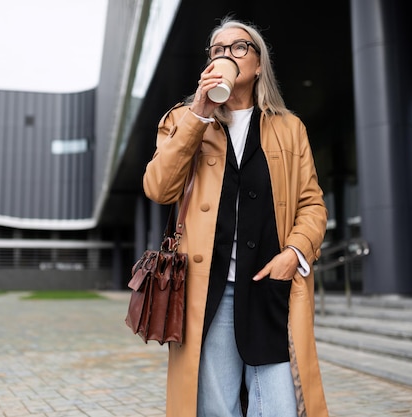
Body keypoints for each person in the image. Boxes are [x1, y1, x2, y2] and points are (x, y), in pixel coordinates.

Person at [142, 15, 329, 417]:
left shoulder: (289, 127)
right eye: (218, 50)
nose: (227, 54)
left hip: (271, 289)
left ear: (259, 64)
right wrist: (200, 113)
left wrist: (294, 253)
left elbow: (312, 204)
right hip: (210, 293)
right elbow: (159, 188)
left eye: (239, 47)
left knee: (280, 407)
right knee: (216, 408)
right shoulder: (184, 120)